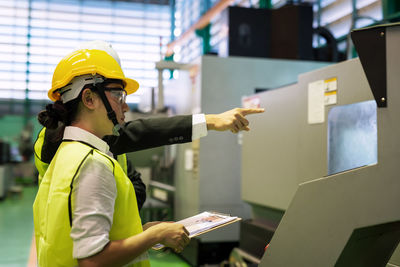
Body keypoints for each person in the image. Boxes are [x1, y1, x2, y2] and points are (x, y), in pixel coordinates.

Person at [33, 45, 263, 267]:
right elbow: (93, 260)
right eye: (118, 95)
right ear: (89, 98)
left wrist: (142, 232)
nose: (125, 107)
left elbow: (78, 237)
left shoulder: (66, 153)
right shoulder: (92, 163)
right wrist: (155, 234)